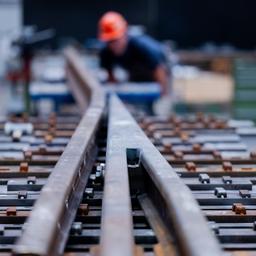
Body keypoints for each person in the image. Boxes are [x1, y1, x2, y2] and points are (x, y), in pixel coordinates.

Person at [98, 11, 170, 96]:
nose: (113, 45)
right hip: (136, 73)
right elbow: (111, 80)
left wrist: (163, 95)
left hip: (160, 71)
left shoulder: (142, 46)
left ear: (124, 34)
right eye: (109, 41)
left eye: (115, 40)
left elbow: (159, 70)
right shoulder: (106, 52)